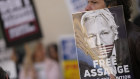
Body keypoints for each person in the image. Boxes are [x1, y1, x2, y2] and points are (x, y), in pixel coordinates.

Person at [84, 0, 140, 79]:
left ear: (111, 6)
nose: (87, 8)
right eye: (88, 2)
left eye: (94, 2)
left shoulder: (136, 37)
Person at [80, 8, 119, 79]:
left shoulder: (128, 59)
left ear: (115, 34)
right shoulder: (82, 68)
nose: (99, 42)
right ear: (85, 41)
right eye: (92, 36)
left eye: (104, 33)